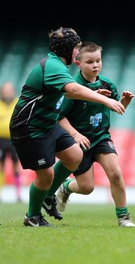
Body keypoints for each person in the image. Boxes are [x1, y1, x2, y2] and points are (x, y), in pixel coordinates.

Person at [9, 27, 125, 227]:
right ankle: (32, 217)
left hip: (47, 124)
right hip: (29, 127)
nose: (77, 53)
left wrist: (96, 93)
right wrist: (104, 100)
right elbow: (72, 89)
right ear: (68, 50)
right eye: (76, 49)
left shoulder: (58, 65)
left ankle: (48, 195)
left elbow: (69, 92)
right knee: (46, 175)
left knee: (74, 155)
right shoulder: (53, 65)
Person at [43, 41, 135, 227]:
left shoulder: (107, 84)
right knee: (87, 188)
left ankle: (123, 217)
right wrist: (76, 135)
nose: (95, 65)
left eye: (98, 61)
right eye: (90, 62)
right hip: (80, 142)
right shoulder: (72, 87)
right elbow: (59, 117)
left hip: (101, 136)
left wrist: (124, 103)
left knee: (116, 174)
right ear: (78, 64)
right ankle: (66, 187)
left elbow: (117, 109)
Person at [0, 81, 21, 202]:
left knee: (16, 167)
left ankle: (18, 195)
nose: (7, 92)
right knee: (0, 166)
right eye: (5, 90)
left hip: (14, 139)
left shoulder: (17, 102)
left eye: (9, 90)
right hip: (1, 140)